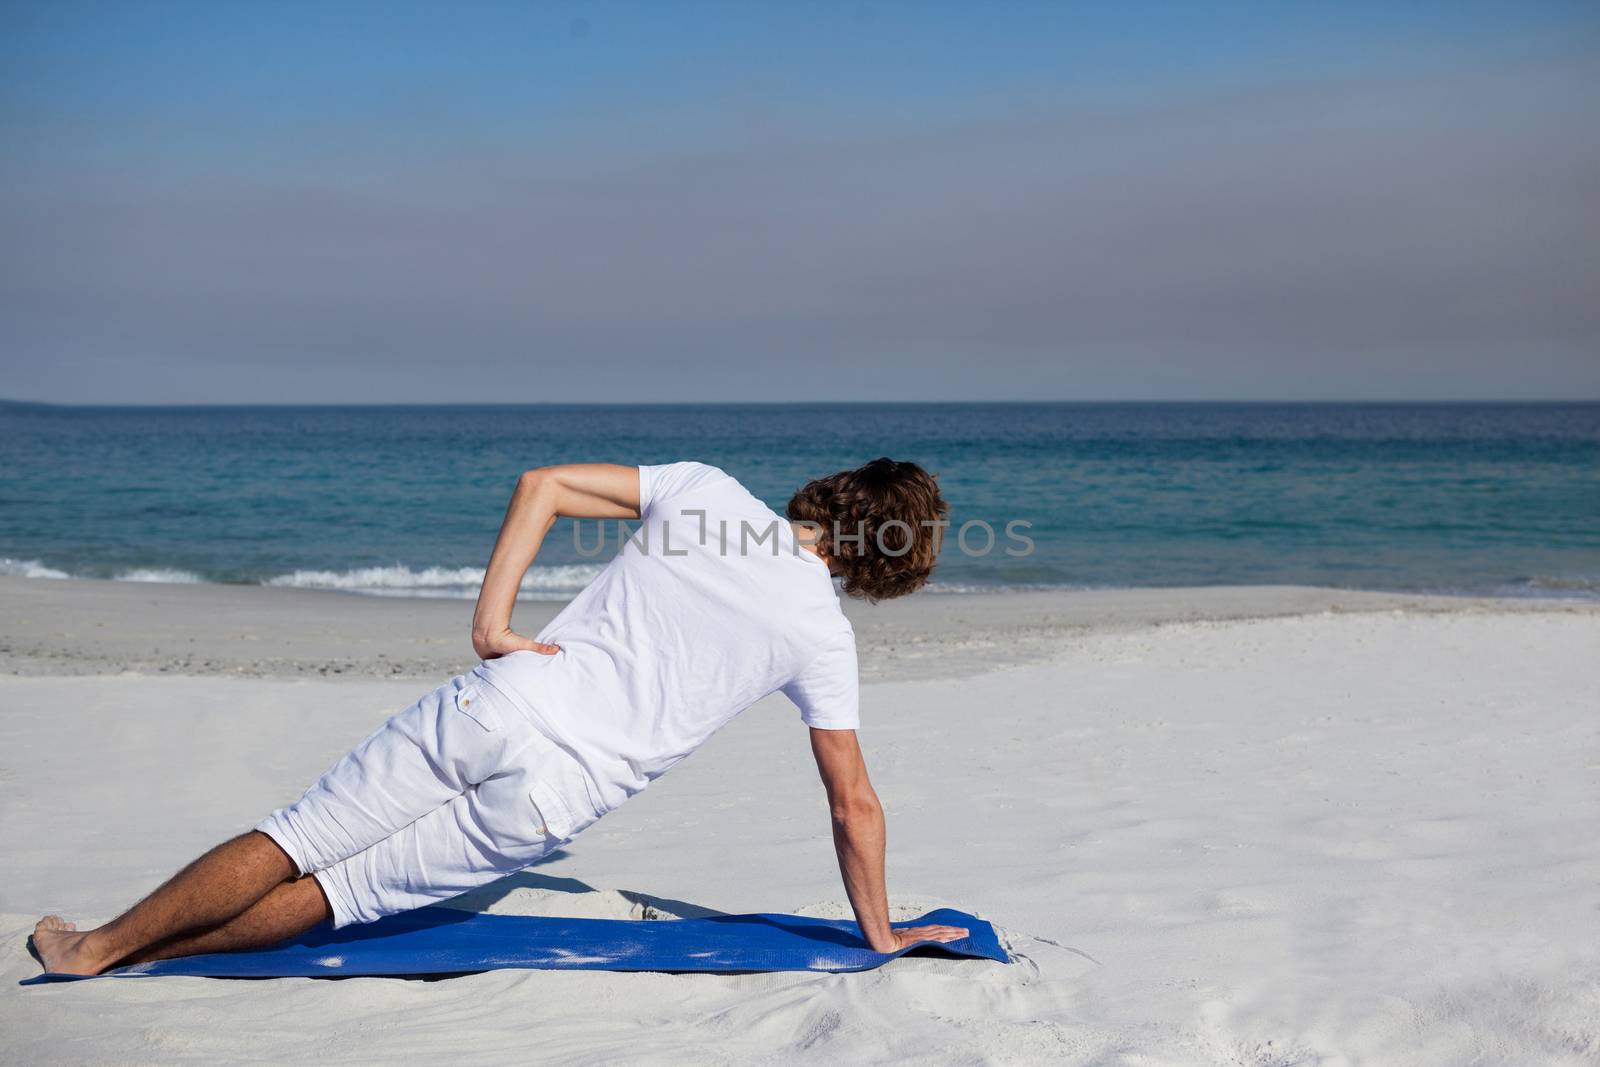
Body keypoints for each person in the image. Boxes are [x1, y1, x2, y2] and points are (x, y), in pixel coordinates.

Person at [29, 458, 968, 976]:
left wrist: (492, 622)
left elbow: (542, 486)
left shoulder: (706, 494)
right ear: (881, 558)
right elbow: (854, 802)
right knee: (337, 897)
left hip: (505, 700)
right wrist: (878, 932)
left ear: (831, 491)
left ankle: (102, 944)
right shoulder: (823, 637)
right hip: (560, 794)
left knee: (294, 837)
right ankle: (131, 956)